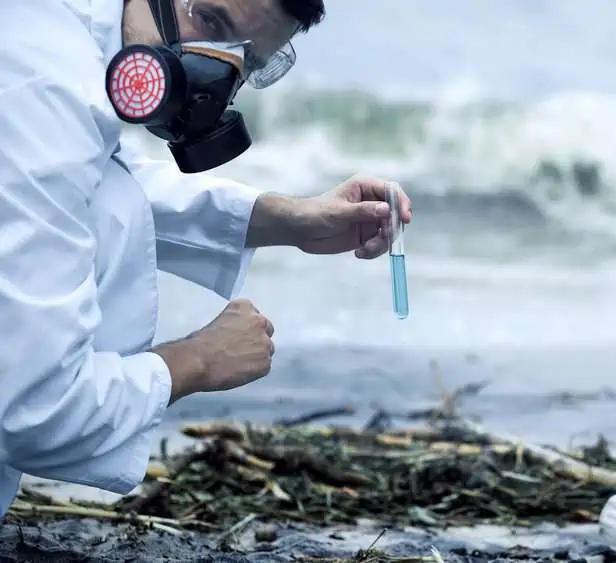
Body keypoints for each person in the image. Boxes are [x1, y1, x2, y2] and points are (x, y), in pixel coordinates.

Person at [0, 0, 413, 517]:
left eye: (248, 59)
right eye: (212, 22)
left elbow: (90, 183)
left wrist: (289, 220)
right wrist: (197, 361)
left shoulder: (60, 44)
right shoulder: (44, 89)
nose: (218, 69)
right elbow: (39, 415)